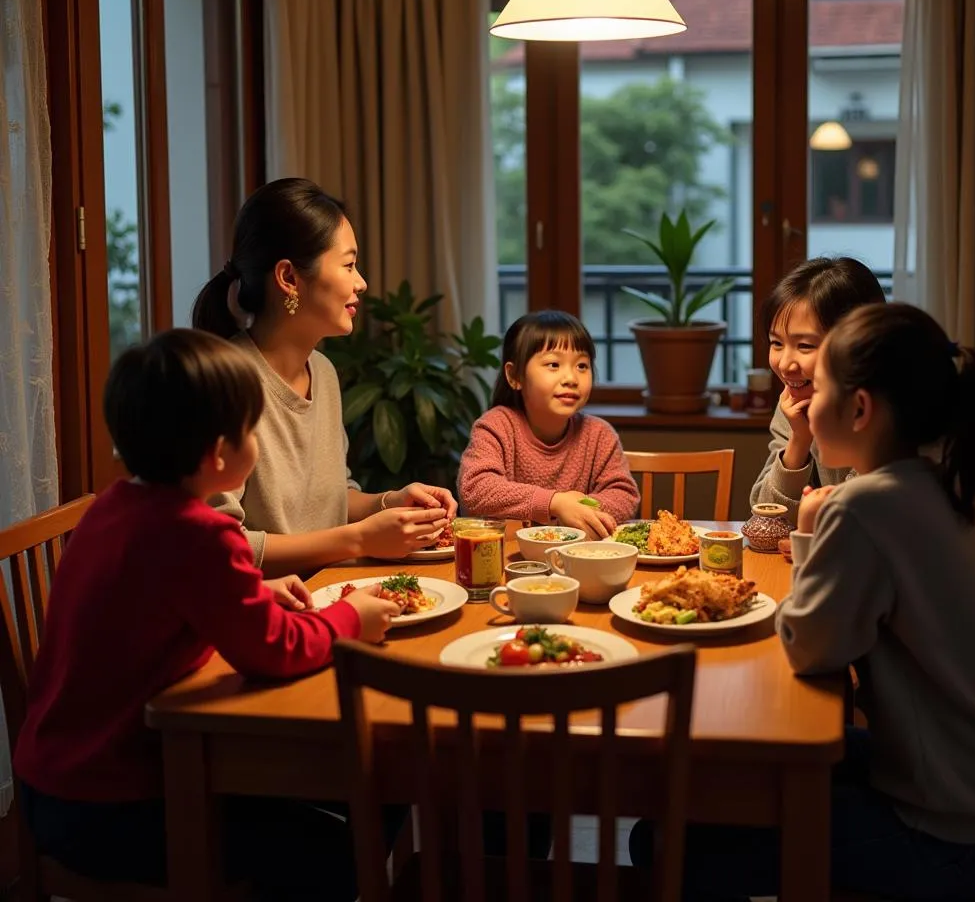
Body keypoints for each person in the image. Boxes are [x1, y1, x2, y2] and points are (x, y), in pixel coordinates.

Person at [632, 303, 975, 899]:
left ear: (859, 409)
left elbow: (811, 648)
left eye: (820, 390)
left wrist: (811, 531)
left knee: (664, 841)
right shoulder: (937, 488)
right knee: (727, 785)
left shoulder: (866, 506)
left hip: (943, 830)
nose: (807, 404)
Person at [14, 329, 403, 899]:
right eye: (251, 429)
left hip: (51, 786)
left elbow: (164, 602)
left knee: (358, 798)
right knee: (341, 842)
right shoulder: (199, 533)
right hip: (117, 802)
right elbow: (275, 651)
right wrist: (351, 619)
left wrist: (261, 594)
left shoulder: (116, 506)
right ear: (218, 453)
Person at [192, 178, 456, 577]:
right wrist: (360, 539)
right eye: (349, 265)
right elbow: (219, 544)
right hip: (260, 613)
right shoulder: (223, 384)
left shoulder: (325, 372)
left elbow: (332, 500)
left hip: (330, 590)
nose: (361, 283)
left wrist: (392, 502)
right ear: (289, 278)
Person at [458, 310, 639, 539]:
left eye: (582, 366)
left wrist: (577, 511)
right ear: (514, 376)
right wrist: (555, 503)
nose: (571, 378)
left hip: (578, 558)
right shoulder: (496, 426)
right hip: (505, 558)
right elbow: (476, 489)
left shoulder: (599, 434)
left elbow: (624, 495)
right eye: (554, 364)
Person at [750, 256, 886, 524]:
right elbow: (765, 519)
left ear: (855, 343)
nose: (786, 364)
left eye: (805, 346)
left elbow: (864, 521)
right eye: (776, 343)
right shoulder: (795, 401)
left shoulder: (884, 411)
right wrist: (799, 440)